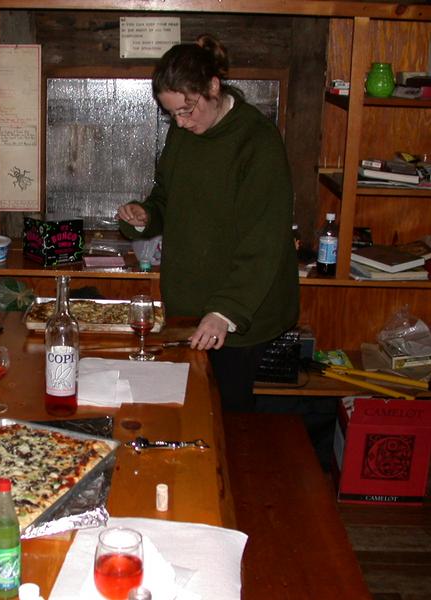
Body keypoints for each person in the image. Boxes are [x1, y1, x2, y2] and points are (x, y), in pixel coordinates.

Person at [117, 34, 299, 412]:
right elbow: (168, 198)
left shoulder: (257, 142)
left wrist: (225, 312)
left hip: (240, 315)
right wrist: (146, 214)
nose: (181, 123)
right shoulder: (183, 134)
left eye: (188, 109)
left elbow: (264, 240)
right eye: (173, 114)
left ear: (213, 87)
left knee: (224, 419)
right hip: (187, 306)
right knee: (186, 412)